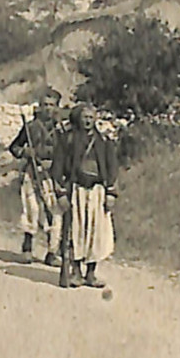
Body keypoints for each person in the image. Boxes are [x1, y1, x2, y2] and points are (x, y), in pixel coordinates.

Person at [51, 102, 117, 289]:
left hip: (97, 191)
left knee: (96, 233)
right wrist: (61, 193)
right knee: (75, 232)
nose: (88, 121)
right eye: (85, 117)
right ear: (79, 118)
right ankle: (76, 272)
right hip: (76, 191)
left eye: (91, 117)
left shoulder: (103, 140)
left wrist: (111, 192)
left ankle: (91, 273)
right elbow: (57, 166)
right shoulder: (68, 139)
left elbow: (112, 167)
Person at [8, 88, 64, 264]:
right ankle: (27, 247)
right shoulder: (30, 127)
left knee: (54, 212)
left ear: (57, 107)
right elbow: (14, 147)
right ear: (40, 106)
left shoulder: (62, 130)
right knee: (32, 209)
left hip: (54, 175)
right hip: (32, 172)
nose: (48, 109)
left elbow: (69, 153)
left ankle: (52, 252)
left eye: (52, 105)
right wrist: (26, 151)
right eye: (45, 105)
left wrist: (55, 162)